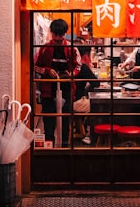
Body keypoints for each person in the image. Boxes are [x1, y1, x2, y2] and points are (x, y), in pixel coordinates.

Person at [34, 18, 80, 146]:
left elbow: (78, 66)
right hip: (48, 90)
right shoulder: (44, 49)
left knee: (66, 120)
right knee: (48, 121)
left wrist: (71, 74)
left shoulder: (72, 49)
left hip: (66, 89)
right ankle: (50, 147)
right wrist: (47, 71)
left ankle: (65, 146)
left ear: (65, 33)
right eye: (56, 35)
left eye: (61, 35)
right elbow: (35, 67)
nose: (58, 38)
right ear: (51, 33)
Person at [73, 45, 99, 145]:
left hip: (64, 101)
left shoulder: (72, 65)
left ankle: (85, 130)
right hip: (75, 103)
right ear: (85, 56)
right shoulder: (83, 67)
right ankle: (89, 135)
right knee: (96, 105)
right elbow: (96, 83)